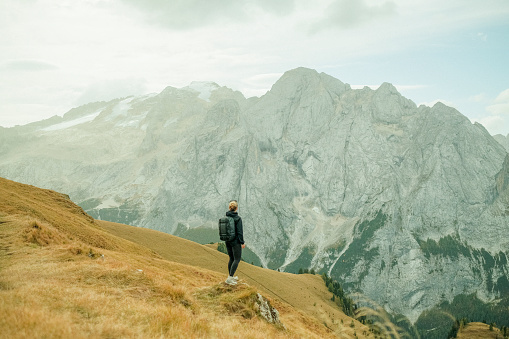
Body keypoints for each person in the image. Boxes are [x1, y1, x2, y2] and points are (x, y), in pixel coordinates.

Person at [225, 200, 245, 285]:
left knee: (231, 258)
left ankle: (231, 276)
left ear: (229, 208)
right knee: (237, 259)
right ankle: (230, 278)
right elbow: (240, 232)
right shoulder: (238, 218)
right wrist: (242, 242)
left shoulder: (226, 218)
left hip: (227, 240)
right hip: (235, 241)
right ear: (236, 208)